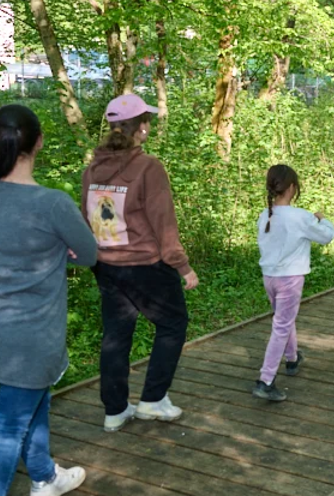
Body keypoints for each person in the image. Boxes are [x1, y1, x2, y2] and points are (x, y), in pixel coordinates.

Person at [0, 104, 98, 496]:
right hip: (33, 337)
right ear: (39, 142)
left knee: (34, 399)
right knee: (7, 431)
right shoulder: (52, 203)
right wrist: (60, 249)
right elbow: (89, 254)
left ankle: (44, 476)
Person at [83, 94, 199, 433]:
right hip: (146, 265)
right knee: (173, 323)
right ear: (142, 128)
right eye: (147, 121)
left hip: (106, 265)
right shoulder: (149, 167)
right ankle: (152, 400)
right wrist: (182, 266)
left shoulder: (92, 170)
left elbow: (87, 218)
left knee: (116, 335)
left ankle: (115, 409)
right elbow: (164, 223)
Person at [253, 165, 334, 402]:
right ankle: (265, 380)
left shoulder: (265, 215)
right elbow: (326, 236)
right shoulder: (300, 216)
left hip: (269, 277)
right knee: (281, 326)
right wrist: (323, 220)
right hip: (290, 280)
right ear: (292, 188)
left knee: (283, 319)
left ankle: (292, 359)